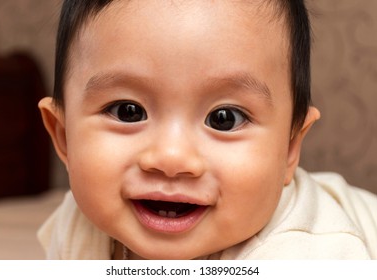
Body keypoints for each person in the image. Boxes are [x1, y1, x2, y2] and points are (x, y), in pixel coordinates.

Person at [37, 0, 377, 259]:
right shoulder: (80, 225)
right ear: (64, 136)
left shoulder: (309, 254)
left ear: (290, 149)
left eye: (224, 118)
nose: (171, 158)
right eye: (128, 112)